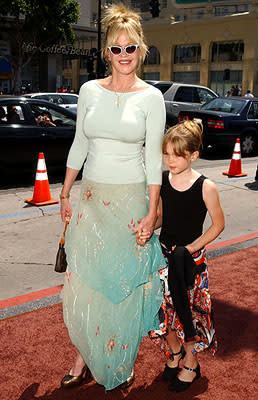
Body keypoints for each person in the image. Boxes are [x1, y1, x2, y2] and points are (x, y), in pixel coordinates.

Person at [59, 3, 166, 392]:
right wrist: (66, 192)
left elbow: (154, 160)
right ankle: (82, 358)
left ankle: (121, 358)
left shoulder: (152, 98)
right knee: (85, 280)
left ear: (141, 50)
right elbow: (79, 144)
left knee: (123, 286)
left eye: (131, 48)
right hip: (90, 200)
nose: (124, 56)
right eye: (117, 49)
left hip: (130, 202)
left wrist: (152, 212)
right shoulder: (88, 91)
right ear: (106, 52)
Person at [144, 120, 224, 393]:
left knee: (189, 314)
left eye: (177, 155)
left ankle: (191, 362)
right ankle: (175, 352)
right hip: (162, 257)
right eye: (166, 154)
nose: (170, 160)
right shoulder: (163, 182)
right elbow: (164, 217)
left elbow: (218, 225)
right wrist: (146, 229)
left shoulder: (206, 186)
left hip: (190, 261)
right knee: (161, 312)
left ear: (193, 155)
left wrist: (191, 247)